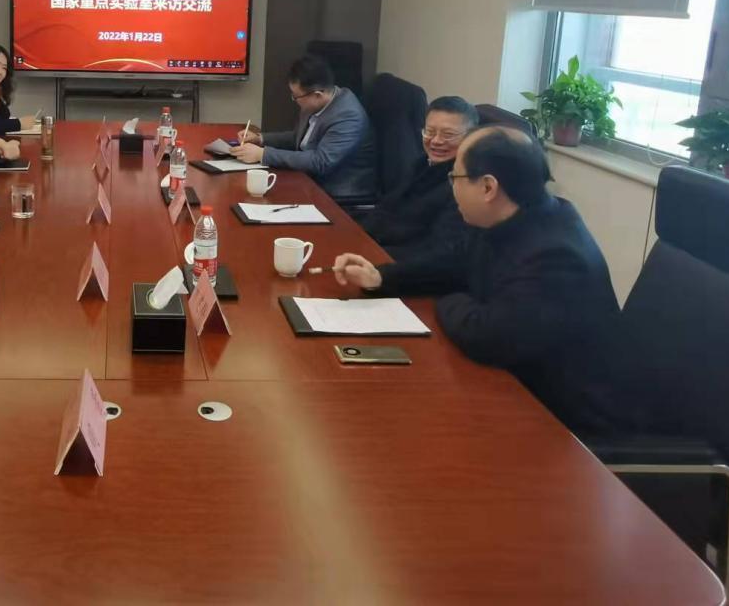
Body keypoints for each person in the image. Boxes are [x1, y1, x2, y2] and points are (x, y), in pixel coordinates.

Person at [331, 126, 629, 435]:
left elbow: (486, 335)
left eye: (455, 178)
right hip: (513, 386)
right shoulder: (513, 217)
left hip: (563, 425)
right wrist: (380, 277)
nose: (451, 187)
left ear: (488, 187)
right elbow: (453, 264)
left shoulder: (557, 257)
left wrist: (447, 298)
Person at [231, 54, 377, 201]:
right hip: (307, 178)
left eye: (296, 96)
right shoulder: (316, 103)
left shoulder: (348, 116)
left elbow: (320, 162)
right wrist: (260, 139)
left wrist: (263, 154)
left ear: (317, 95)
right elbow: (300, 139)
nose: (294, 100)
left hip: (336, 192)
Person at [354, 96, 477, 259]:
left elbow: (439, 251)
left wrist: (370, 256)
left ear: (471, 137)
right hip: (374, 246)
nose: (436, 141)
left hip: (398, 262)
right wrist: (356, 236)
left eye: (448, 134)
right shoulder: (422, 162)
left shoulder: (464, 184)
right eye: (430, 131)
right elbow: (387, 207)